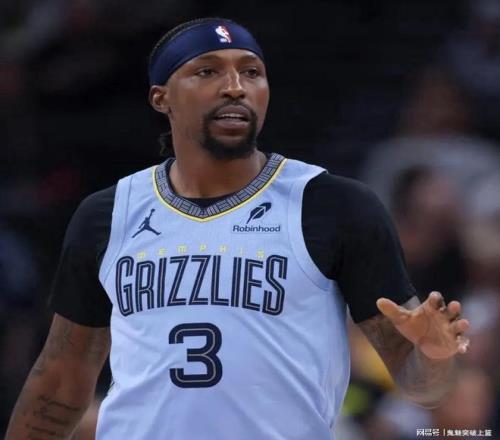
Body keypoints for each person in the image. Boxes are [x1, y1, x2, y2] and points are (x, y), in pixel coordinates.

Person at [5, 17, 470, 440]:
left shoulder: (334, 206)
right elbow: (60, 380)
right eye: (207, 71)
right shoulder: (107, 215)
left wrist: (434, 355)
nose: (235, 87)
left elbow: (423, 388)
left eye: (251, 72)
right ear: (161, 97)